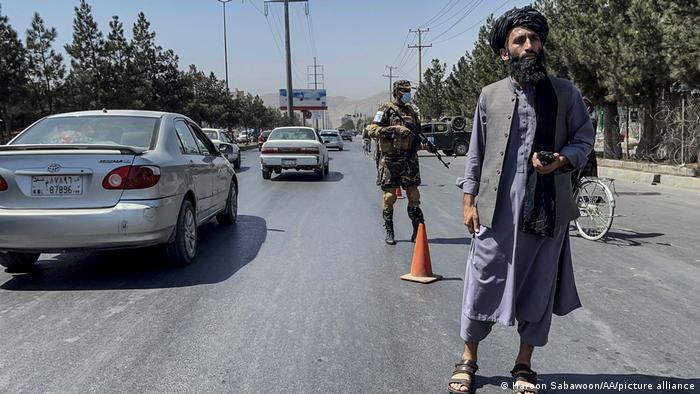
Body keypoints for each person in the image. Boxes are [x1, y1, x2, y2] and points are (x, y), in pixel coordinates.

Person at [447, 7, 594, 394]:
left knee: (537, 287)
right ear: (504, 52)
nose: (529, 46)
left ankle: (524, 364)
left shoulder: (565, 92)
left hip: (545, 213)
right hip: (495, 212)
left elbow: (584, 140)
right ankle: (468, 358)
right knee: (482, 281)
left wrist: (562, 160)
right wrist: (468, 199)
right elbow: (476, 153)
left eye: (534, 39)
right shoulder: (489, 96)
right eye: (520, 41)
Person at [367, 80, 436, 245]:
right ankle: (389, 230)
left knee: (414, 195)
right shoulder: (386, 110)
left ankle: (417, 230)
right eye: (405, 91)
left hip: (409, 160)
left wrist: (425, 145)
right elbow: (372, 130)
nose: (408, 94)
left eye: (409, 90)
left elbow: (416, 136)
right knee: (390, 196)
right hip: (390, 160)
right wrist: (394, 130)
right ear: (397, 92)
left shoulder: (411, 111)